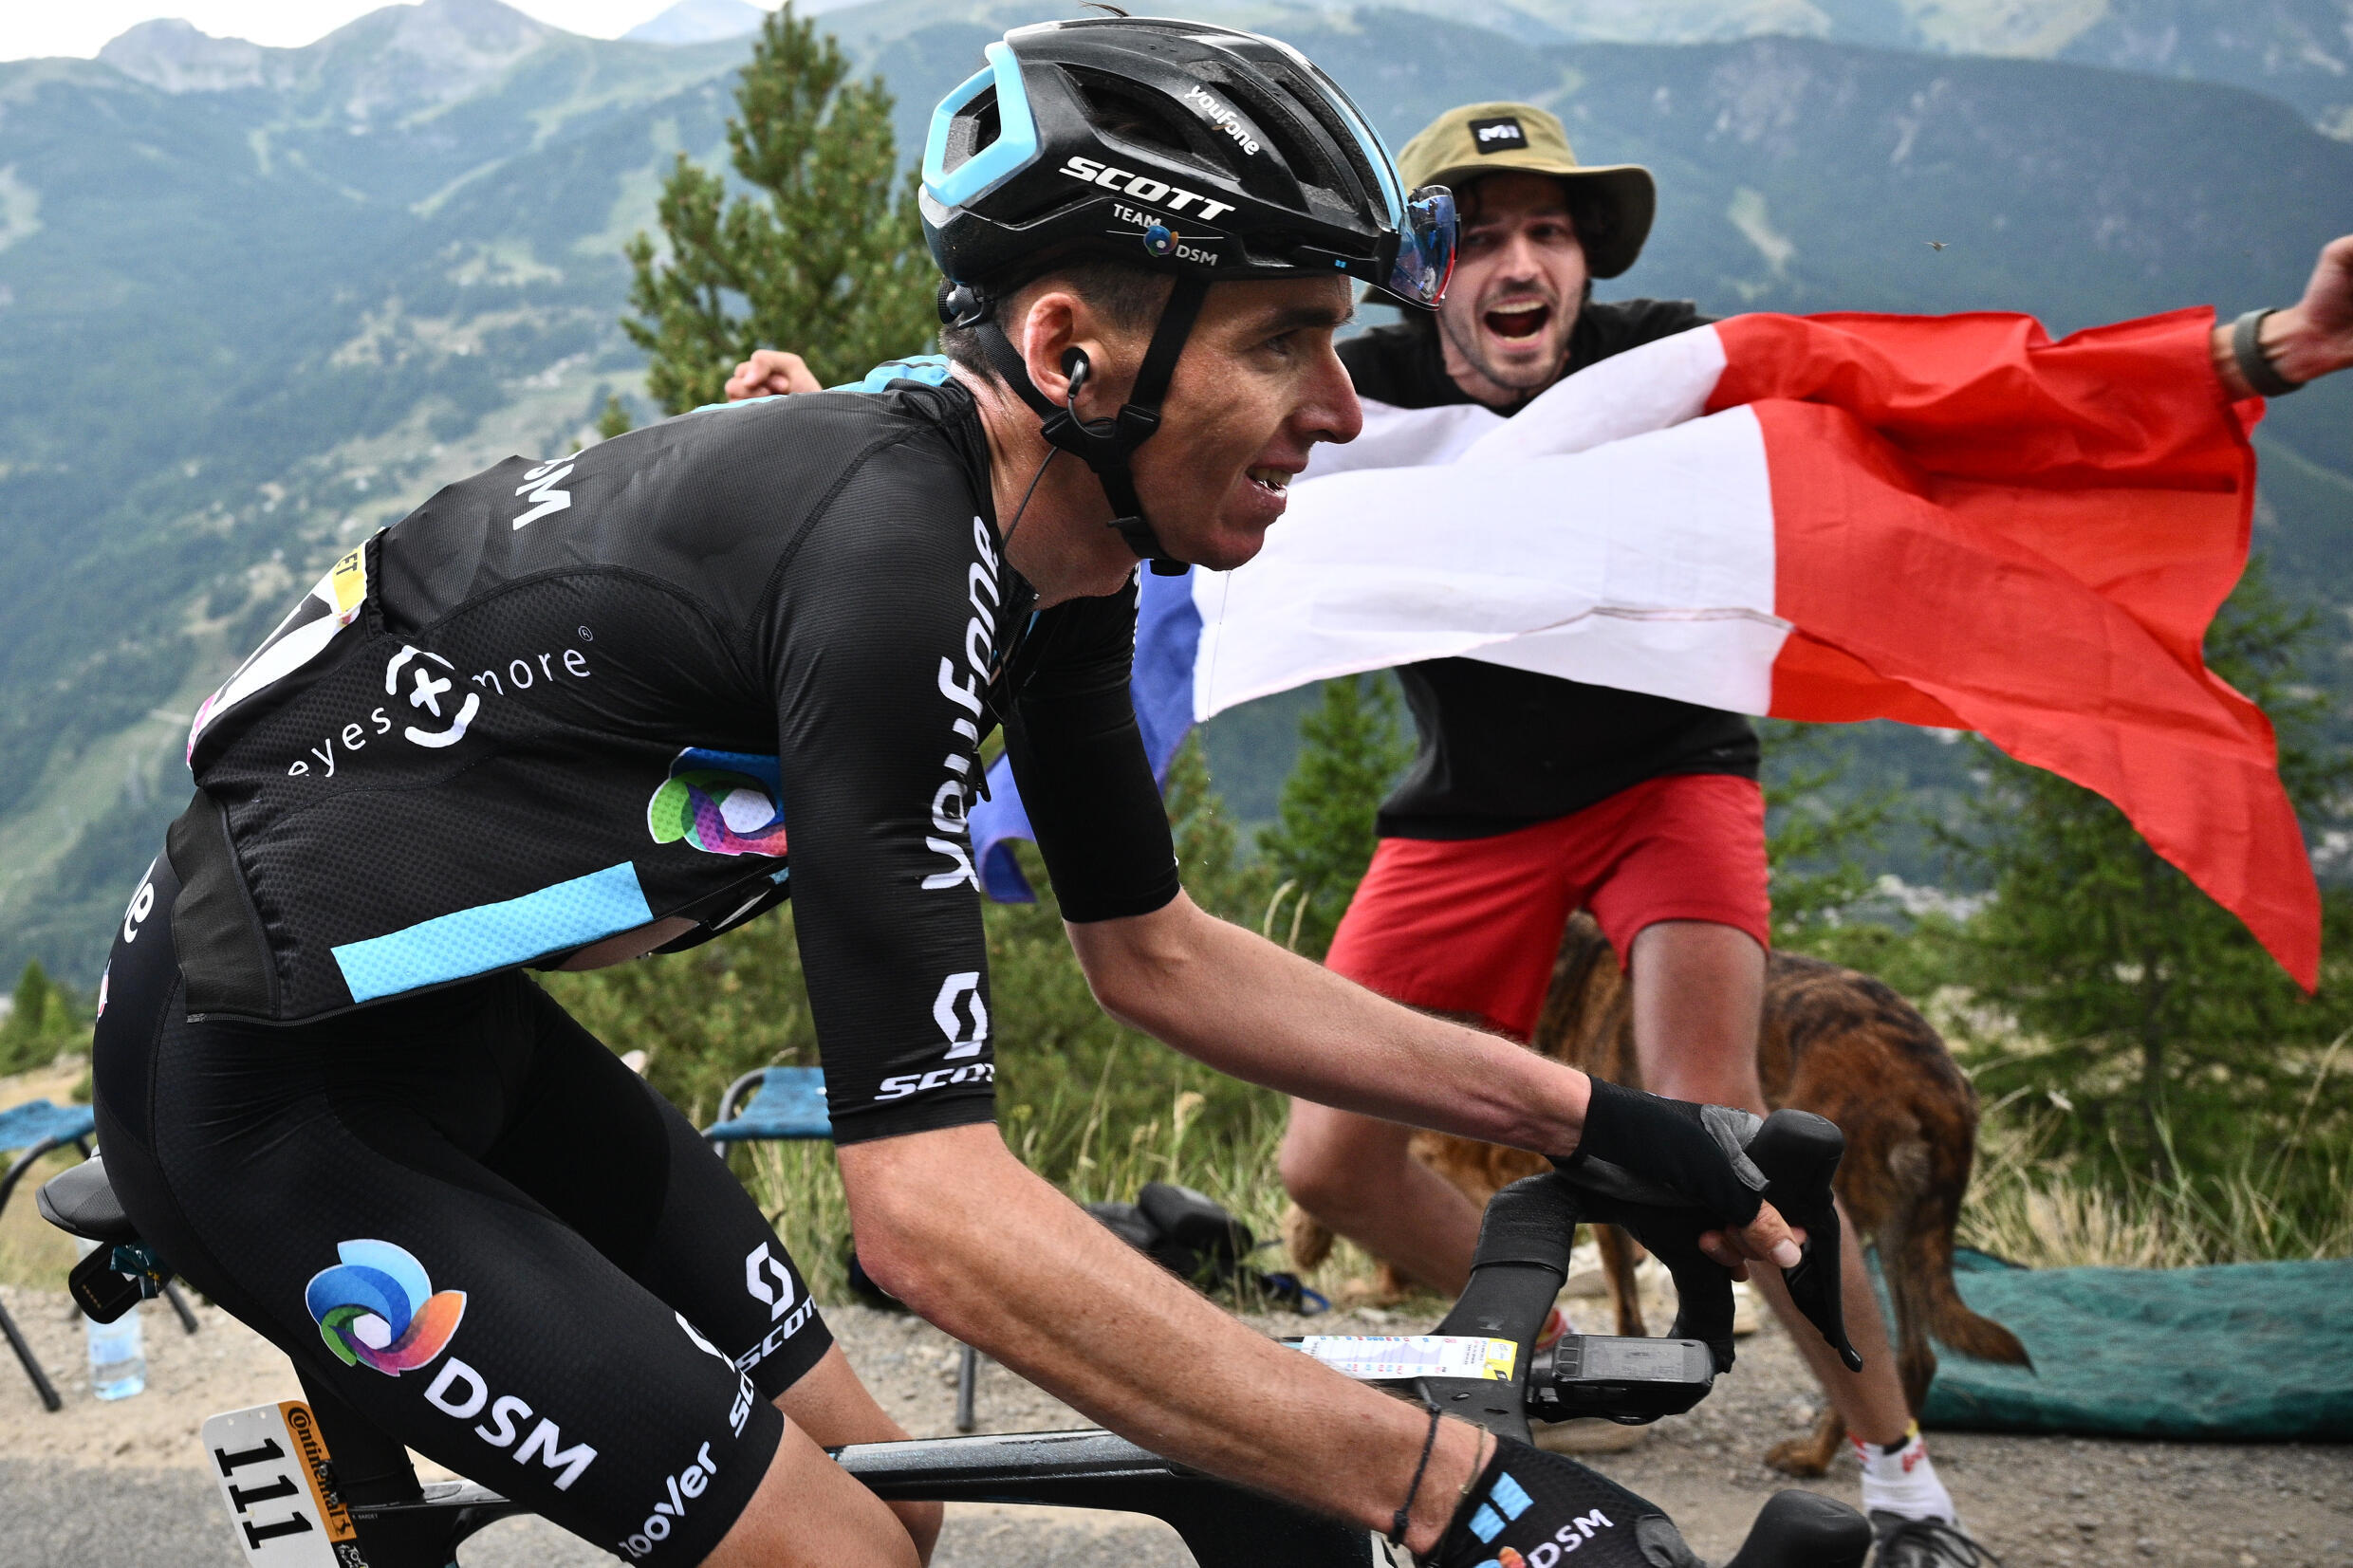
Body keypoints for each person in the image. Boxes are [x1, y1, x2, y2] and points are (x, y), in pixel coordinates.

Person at [90, 24, 1821, 1568]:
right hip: (254, 1085)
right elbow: (923, 1213)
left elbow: (1162, 955)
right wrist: (1446, 1490)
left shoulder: (1065, 551)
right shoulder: (893, 557)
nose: (1346, 411)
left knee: (893, 1501)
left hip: (446, 1029)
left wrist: (1602, 1125)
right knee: (830, 1555)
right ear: (1073, 348)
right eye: (1291, 342)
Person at [732, 100, 2353, 1568]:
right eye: (1485, 234)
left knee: (1718, 1124)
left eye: (1553, 232)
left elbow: (1937, 397)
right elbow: (1061, 378)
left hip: (1674, 785)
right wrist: (845, 409)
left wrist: (2258, 349)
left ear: (1587, 266)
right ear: (1424, 279)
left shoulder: (1681, 370)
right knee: (1326, 1157)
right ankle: (1566, 1359)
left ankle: (1905, 1476)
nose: (1524, 264)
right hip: (1476, 809)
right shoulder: (1373, 400)